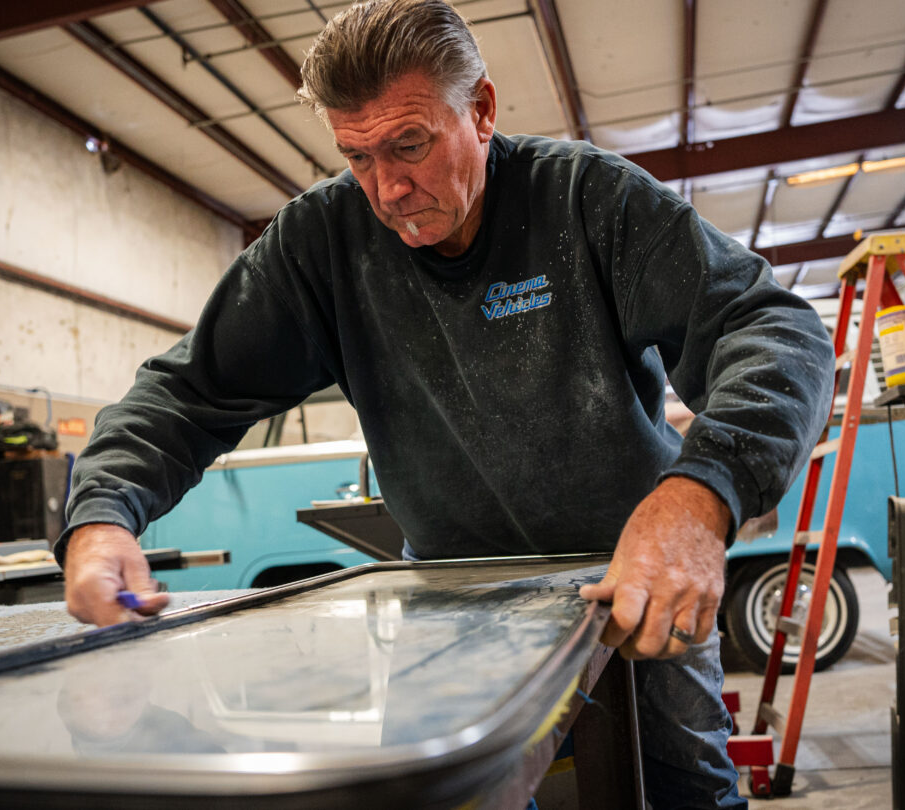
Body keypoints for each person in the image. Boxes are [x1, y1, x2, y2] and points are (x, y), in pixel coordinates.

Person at [57, 1, 834, 806]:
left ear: (483, 111)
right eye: (357, 157)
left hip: (629, 580)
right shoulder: (319, 245)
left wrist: (701, 495)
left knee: (686, 792)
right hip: (452, 600)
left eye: (410, 144)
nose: (388, 189)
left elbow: (773, 329)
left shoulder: (584, 201)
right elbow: (187, 392)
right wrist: (101, 514)